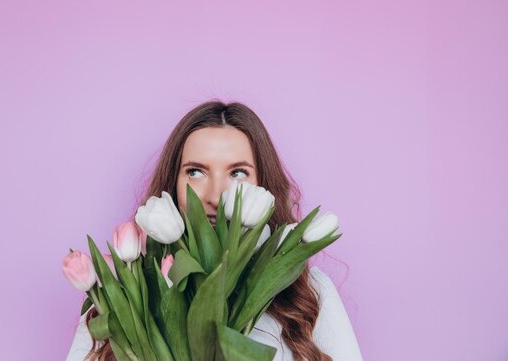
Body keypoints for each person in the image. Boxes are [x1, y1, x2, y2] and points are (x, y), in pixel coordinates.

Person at [65, 101, 364, 361]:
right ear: (173, 183)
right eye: (195, 171)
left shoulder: (308, 291)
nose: (216, 196)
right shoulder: (119, 288)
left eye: (238, 173)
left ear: (263, 185)